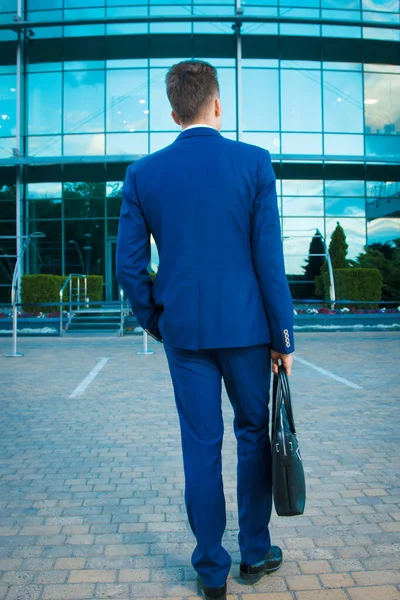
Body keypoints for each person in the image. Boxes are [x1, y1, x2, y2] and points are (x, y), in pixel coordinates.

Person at [116, 60, 294, 600]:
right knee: (252, 437)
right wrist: (282, 337)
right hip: (246, 330)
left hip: (185, 335)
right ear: (217, 103)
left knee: (200, 447)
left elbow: (127, 266)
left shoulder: (143, 174)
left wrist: (157, 321)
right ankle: (256, 553)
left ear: (173, 112)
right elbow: (269, 260)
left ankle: (211, 570)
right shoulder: (254, 163)